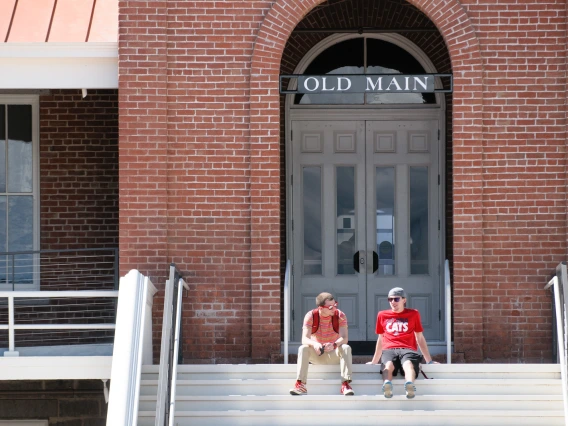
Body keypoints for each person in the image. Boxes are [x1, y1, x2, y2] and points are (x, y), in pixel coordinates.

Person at [368, 287, 436, 399]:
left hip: (407, 348)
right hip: (389, 348)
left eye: (396, 299)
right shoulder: (382, 315)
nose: (392, 302)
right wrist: (374, 361)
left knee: (408, 364)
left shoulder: (413, 314)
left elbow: (419, 337)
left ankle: (409, 384)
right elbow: (381, 339)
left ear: (404, 300)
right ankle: (387, 385)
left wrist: (429, 361)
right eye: (390, 299)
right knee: (388, 365)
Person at [289, 292, 354, 396]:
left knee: (346, 347)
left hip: (333, 354)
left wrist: (334, 344)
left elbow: (345, 338)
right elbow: (304, 339)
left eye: (335, 305)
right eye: (330, 307)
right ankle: (300, 384)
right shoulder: (311, 316)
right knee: (303, 348)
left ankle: (345, 384)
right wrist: (315, 344)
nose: (334, 308)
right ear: (321, 308)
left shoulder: (340, 315)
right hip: (317, 354)